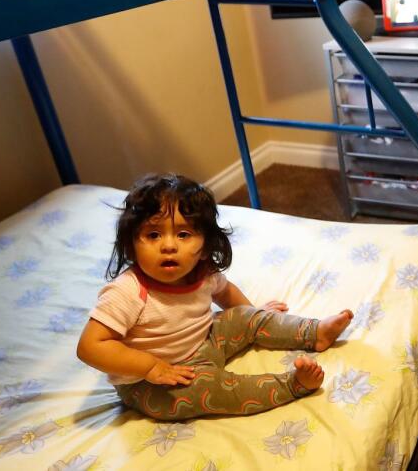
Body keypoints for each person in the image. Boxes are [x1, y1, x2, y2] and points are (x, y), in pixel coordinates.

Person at [76, 173, 354, 421]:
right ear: (131, 243)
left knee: (245, 315)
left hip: (205, 341)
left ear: (206, 245)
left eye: (183, 234)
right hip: (151, 382)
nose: (169, 246)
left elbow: (225, 292)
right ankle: (292, 385)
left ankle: (315, 333)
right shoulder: (127, 291)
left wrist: (254, 315)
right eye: (153, 234)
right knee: (207, 391)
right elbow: (90, 346)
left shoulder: (203, 272)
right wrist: (150, 367)